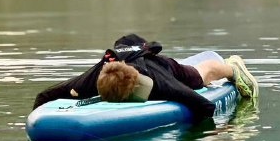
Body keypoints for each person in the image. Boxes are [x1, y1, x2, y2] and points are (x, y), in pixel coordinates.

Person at [32, 33, 258, 121]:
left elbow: (204, 106)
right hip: (126, 52)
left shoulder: (158, 79)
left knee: (202, 74)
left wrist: (210, 137)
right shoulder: (91, 79)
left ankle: (233, 67)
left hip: (164, 66)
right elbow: (44, 96)